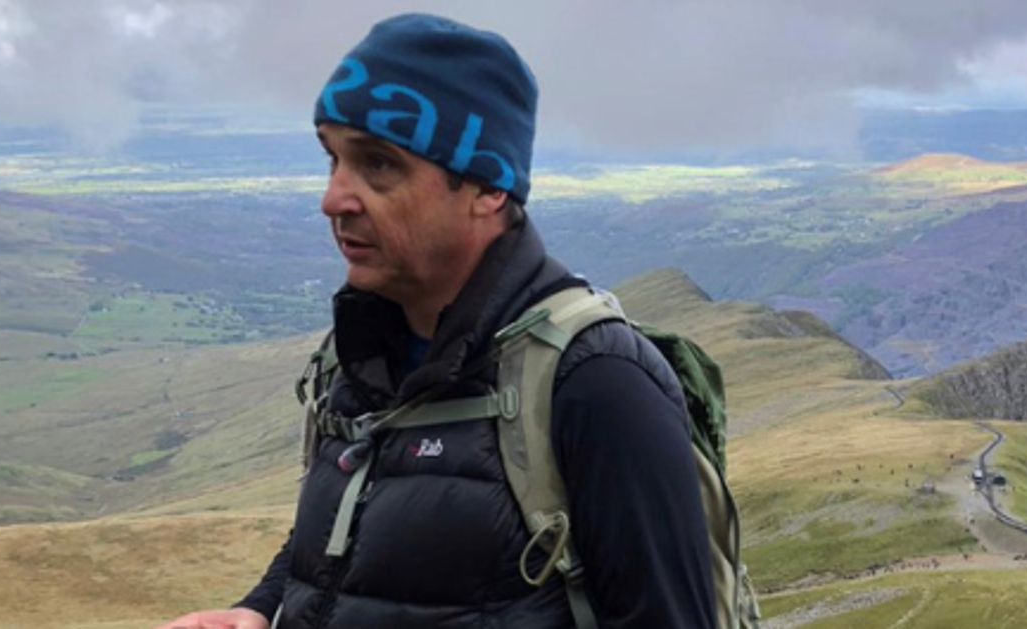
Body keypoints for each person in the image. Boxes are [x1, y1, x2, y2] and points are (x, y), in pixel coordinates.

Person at [155, 12, 717, 629]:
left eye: (378, 165)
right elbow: (349, 537)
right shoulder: (357, 355)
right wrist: (258, 611)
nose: (334, 198)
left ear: (486, 187)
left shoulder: (597, 382)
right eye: (332, 159)